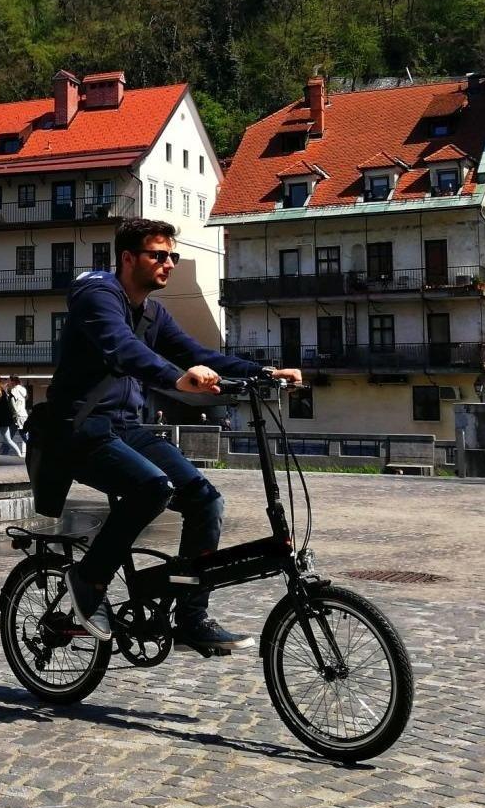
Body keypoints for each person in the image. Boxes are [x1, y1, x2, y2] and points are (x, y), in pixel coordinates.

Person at [48, 217, 303, 654]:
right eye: (158, 255)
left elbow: (196, 352)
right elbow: (122, 349)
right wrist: (176, 378)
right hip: (77, 429)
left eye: (173, 256)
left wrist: (262, 372)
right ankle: (88, 578)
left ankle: (190, 618)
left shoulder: (152, 311)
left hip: (125, 429)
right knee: (151, 487)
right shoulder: (97, 295)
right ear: (128, 258)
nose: (168, 263)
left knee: (206, 500)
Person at [7, 375, 29, 455]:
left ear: (13, 381)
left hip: (17, 415)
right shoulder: (23, 389)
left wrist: (14, 414)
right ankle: (4, 451)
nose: (8, 382)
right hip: (23, 414)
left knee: (20, 434)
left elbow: (13, 404)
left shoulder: (14, 390)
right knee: (13, 434)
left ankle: (32, 447)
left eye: (9, 381)